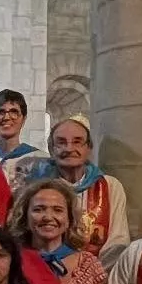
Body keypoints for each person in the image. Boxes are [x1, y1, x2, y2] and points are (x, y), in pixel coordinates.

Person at [30, 115, 131, 268]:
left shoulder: (109, 186)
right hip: (46, 274)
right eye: (61, 142)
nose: (69, 149)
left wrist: (88, 276)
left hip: (97, 276)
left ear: (88, 148)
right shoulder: (38, 189)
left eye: (77, 142)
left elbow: (118, 241)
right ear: (51, 149)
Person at [0, 89, 47, 193]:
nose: (7, 117)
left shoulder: (41, 160)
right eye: (0, 112)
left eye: (14, 112)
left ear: (24, 119)